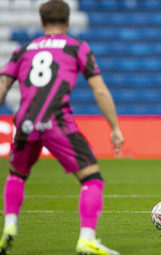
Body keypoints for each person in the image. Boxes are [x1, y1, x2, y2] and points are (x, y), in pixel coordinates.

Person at [0, 0, 123, 254]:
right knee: (92, 178)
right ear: (68, 22)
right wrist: (114, 126)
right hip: (56, 121)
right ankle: (87, 239)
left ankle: (9, 226)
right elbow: (99, 89)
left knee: (16, 175)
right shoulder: (77, 47)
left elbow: (2, 87)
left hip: (24, 122)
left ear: (42, 22)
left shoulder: (23, 50)